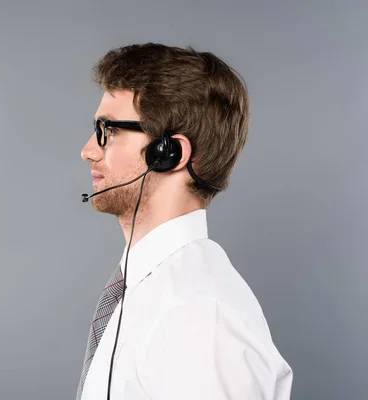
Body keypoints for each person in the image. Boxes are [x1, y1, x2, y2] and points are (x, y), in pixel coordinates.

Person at [76, 43, 293, 400]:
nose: (88, 150)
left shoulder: (197, 316)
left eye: (109, 131)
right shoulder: (153, 288)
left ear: (169, 153)